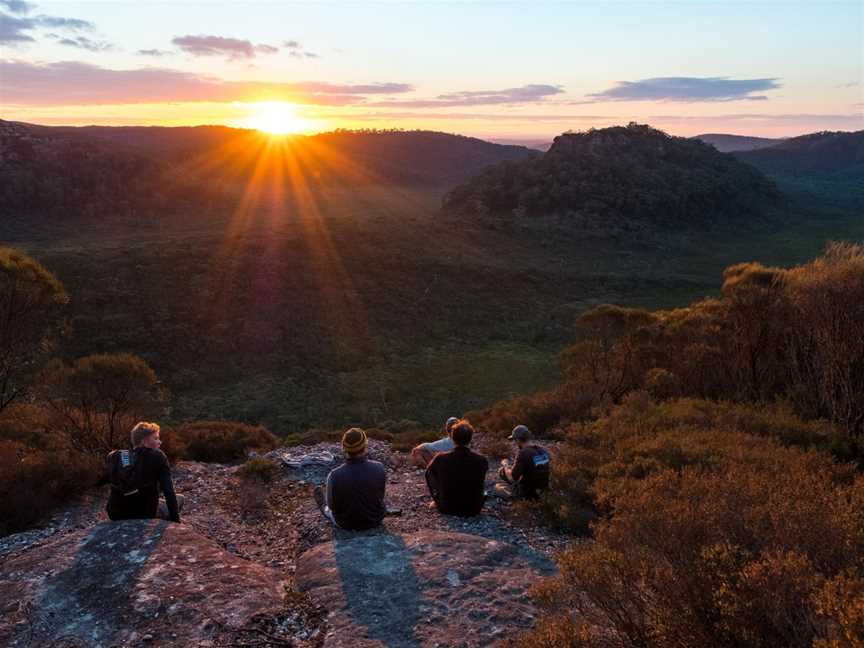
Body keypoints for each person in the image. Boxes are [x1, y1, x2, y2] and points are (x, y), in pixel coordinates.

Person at [100, 421, 182, 523]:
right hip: (143, 513)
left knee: (159, 502)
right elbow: (168, 491)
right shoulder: (158, 456)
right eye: (156, 438)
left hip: (116, 513)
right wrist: (176, 522)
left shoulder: (116, 456)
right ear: (144, 441)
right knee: (180, 499)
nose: (159, 442)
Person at [314, 427, 386, 530]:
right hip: (375, 520)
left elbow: (332, 506)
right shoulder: (380, 467)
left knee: (328, 509)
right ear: (365, 446)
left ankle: (322, 507)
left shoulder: (334, 475)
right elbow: (381, 496)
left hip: (345, 524)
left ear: (344, 448)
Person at [425, 419, 488, 516]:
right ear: (470, 438)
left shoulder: (441, 458)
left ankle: (440, 498)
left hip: (446, 507)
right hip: (473, 509)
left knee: (431, 472)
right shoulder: (481, 460)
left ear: (453, 438)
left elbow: (429, 474)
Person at [498, 425, 550, 500]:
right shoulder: (543, 450)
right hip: (543, 491)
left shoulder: (523, 453)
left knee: (499, 483)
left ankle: (515, 495)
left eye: (515, 439)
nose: (515, 442)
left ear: (518, 439)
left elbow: (512, 478)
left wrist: (505, 465)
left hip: (528, 494)